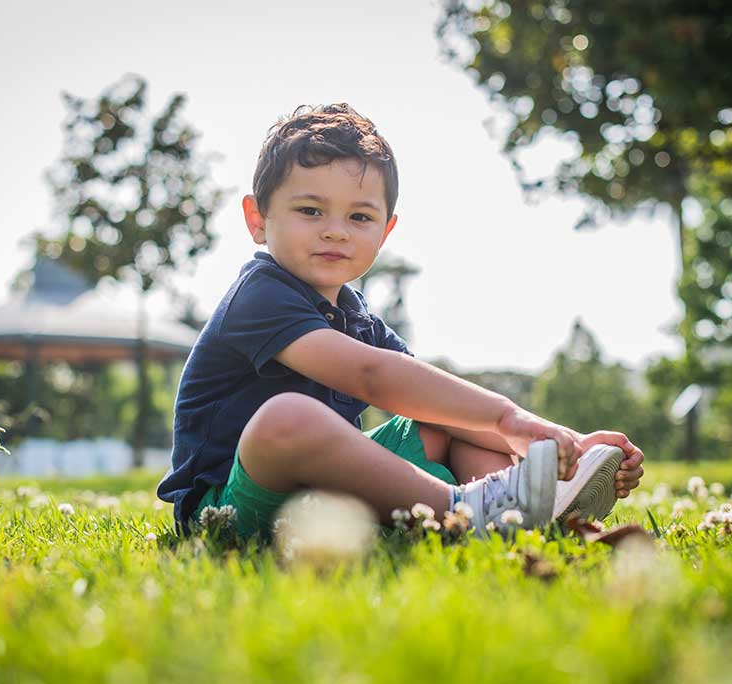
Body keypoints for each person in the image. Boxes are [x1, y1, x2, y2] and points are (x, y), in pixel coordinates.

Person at [156, 103, 644, 539]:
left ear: (386, 229)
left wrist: (564, 444)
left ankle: (518, 512)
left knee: (444, 418)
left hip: (323, 501)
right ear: (257, 219)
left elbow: (431, 402)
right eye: (310, 210)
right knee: (287, 418)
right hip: (230, 507)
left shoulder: (356, 314)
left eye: (360, 218)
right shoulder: (258, 296)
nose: (335, 231)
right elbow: (374, 376)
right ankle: (458, 510)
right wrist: (506, 416)